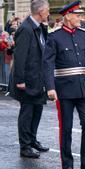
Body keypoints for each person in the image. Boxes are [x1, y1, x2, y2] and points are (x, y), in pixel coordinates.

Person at [43, 1, 85, 169]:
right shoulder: (54, 37)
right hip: (64, 90)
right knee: (66, 128)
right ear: (67, 17)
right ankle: (67, 165)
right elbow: (48, 64)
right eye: (77, 15)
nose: (80, 18)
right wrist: (50, 87)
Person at [9, 0, 49, 159]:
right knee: (27, 113)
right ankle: (25, 146)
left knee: (37, 110)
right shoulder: (26, 29)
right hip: (27, 80)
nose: (48, 13)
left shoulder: (38, 27)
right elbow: (19, 57)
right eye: (47, 10)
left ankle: (32, 140)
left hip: (38, 79)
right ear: (41, 11)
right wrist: (20, 80)